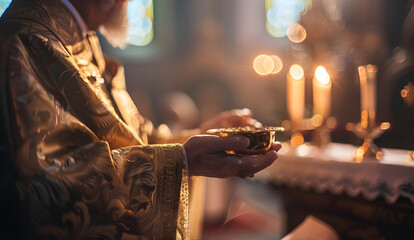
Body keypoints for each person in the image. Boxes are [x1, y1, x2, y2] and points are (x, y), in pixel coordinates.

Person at [0, 0, 281, 239]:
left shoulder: (79, 36)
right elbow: (51, 187)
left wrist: (200, 136)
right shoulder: (27, 40)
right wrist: (182, 161)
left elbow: (133, 140)